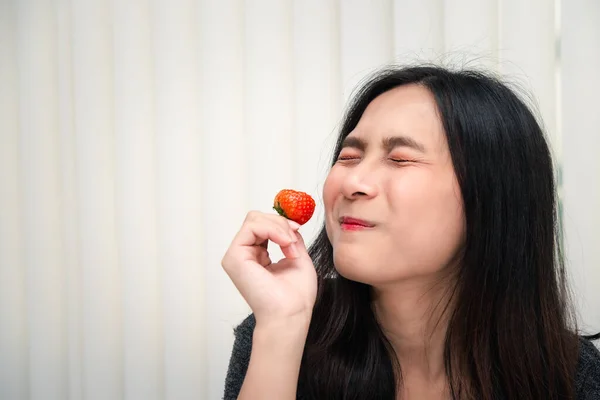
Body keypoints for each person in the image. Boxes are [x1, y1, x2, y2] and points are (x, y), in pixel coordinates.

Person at [221, 65, 600, 400]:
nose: (353, 181)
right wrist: (282, 326)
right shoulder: (279, 331)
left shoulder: (571, 376)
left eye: (400, 159)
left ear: (490, 195)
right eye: (348, 157)